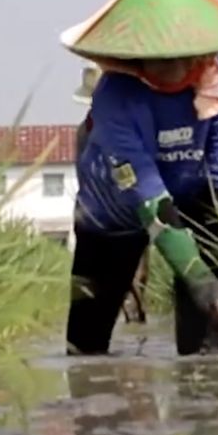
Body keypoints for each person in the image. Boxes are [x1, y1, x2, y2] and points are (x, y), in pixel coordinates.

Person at [60, 0, 218, 357]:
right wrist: (199, 278)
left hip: (192, 198)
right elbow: (147, 195)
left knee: (209, 336)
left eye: (183, 54)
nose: (174, 67)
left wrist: (214, 275)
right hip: (112, 214)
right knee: (85, 347)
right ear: (133, 56)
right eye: (158, 56)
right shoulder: (115, 97)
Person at [73, 61, 150, 325]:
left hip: (129, 216)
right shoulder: (86, 132)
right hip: (95, 220)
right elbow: (84, 176)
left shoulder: (113, 128)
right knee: (90, 299)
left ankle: (134, 315)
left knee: (135, 279)